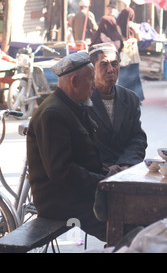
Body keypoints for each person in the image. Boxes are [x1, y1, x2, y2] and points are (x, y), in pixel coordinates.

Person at [26, 52, 124, 242]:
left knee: (132, 212)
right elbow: (62, 172)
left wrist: (108, 172)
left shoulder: (73, 106)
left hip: (76, 193)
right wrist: (102, 180)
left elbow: (85, 158)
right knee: (123, 225)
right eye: (90, 80)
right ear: (74, 81)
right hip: (61, 201)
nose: (94, 86)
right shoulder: (53, 113)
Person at [87, 43, 147, 169]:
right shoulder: (83, 101)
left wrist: (125, 164)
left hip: (125, 170)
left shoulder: (130, 99)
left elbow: (138, 138)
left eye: (115, 64)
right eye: (104, 64)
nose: (111, 70)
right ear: (92, 69)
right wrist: (105, 169)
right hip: (95, 173)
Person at [116, 7, 145, 101]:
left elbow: (139, 38)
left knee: (132, 77)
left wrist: (134, 28)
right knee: (127, 77)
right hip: (127, 55)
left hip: (130, 56)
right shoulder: (118, 26)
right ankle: (127, 98)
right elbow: (119, 39)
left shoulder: (131, 26)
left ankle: (132, 98)